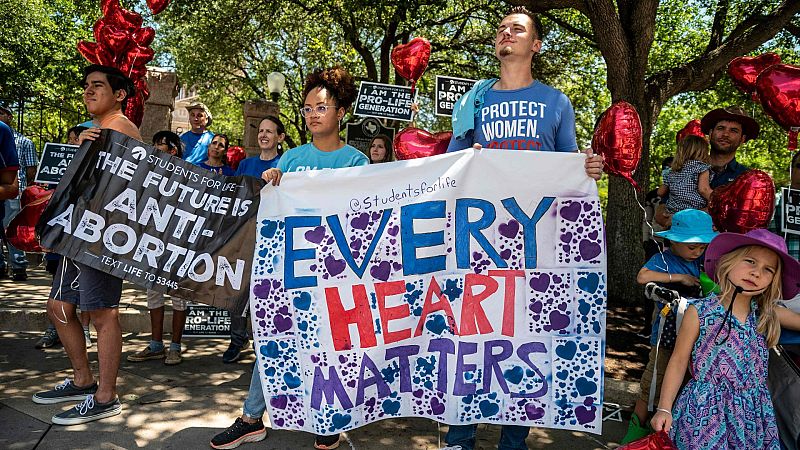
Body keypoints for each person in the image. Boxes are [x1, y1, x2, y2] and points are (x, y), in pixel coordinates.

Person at [440, 6, 602, 450]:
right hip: (479, 242)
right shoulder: (473, 101)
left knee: (527, 334)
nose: (505, 34)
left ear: (536, 45)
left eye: (517, 29)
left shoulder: (557, 103)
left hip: (536, 245)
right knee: (470, 333)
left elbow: (568, 166)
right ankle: (460, 437)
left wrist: (588, 168)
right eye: (501, 29)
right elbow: (450, 167)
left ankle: (514, 439)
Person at [211, 66, 367, 450]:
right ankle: (251, 418)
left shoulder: (357, 163)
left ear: (341, 112)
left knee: (331, 347)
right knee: (274, 339)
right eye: (308, 108)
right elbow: (269, 210)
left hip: (335, 274)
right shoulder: (291, 160)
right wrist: (270, 184)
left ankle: (329, 418)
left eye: (322, 107)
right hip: (288, 270)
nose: (313, 114)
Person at [32, 64, 141, 426]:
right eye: (86, 86)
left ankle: (106, 396)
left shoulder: (120, 127)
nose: (88, 91)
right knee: (59, 307)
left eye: (97, 85)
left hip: (103, 238)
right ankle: (83, 381)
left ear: (119, 95)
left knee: (103, 313)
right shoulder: (97, 132)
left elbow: (124, 188)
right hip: (80, 234)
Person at [651, 228, 800, 448]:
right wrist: (664, 407)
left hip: (752, 416)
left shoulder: (766, 315)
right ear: (728, 262)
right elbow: (679, 360)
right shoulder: (699, 312)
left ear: (773, 281)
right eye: (750, 261)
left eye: (768, 269)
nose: (756, 273)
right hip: (704, 412)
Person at [621, 209, 718, 443]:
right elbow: (643, 277)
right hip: (667, 336)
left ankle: (666, 436)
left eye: (702, 247)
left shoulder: (706, 262)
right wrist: (679, 278)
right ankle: (635, 434)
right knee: (651, 385)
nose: (697, 252)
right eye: (691, 247)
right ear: (673, 241)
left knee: (683, 386)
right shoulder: (663, 260)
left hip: (697, 339)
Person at [220, 116, 287, 364]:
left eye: (269, 131)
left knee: (267, 293)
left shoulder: (286, 165)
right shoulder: (245, 164)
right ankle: (238, 340)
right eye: (261, 131)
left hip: (274, 239)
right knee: (237, 290)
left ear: (280, 137)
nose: (263, 135)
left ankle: (266, 345)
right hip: (244, 236)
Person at [127, 132, 188, 366]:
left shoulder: (188, 175)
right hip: (152, 241)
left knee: (179, 295)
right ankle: (155, 345)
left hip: (178, 244)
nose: (155, 147)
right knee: (153, 292)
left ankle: (175, 347)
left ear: (173, 150)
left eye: (160, 144)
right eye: (153, 144)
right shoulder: (149, 172)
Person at [36, 125, 92, 350]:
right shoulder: (57, 164)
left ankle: (84, 329)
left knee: (84, 287)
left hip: (81, 237)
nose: (71, 144)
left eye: (76, 140)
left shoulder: (93, 167)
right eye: (70, 140)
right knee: (58, 287)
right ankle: (54, 329)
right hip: (59, 236)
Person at [0, 103, 36, 281]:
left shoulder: (25, 141)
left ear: (9, 116)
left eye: (1, 113)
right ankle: (1, 266)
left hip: (15, 192)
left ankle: (19, 266)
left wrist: (24, 190)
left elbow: (31, 170)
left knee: (12, 230)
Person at [700, 105, 758, 188]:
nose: (725, 134)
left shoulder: (748, 179)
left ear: (742, 139)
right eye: (721, 128)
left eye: (733, 130)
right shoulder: (689, 168)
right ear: (710, 133)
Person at [657, 135, 713, 215]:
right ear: (702, 152)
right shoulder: (701, 168)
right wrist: (719, 199)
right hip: (694, 211)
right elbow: (704, 190)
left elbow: (660, 192)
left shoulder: (672, 171)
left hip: (673, 212)